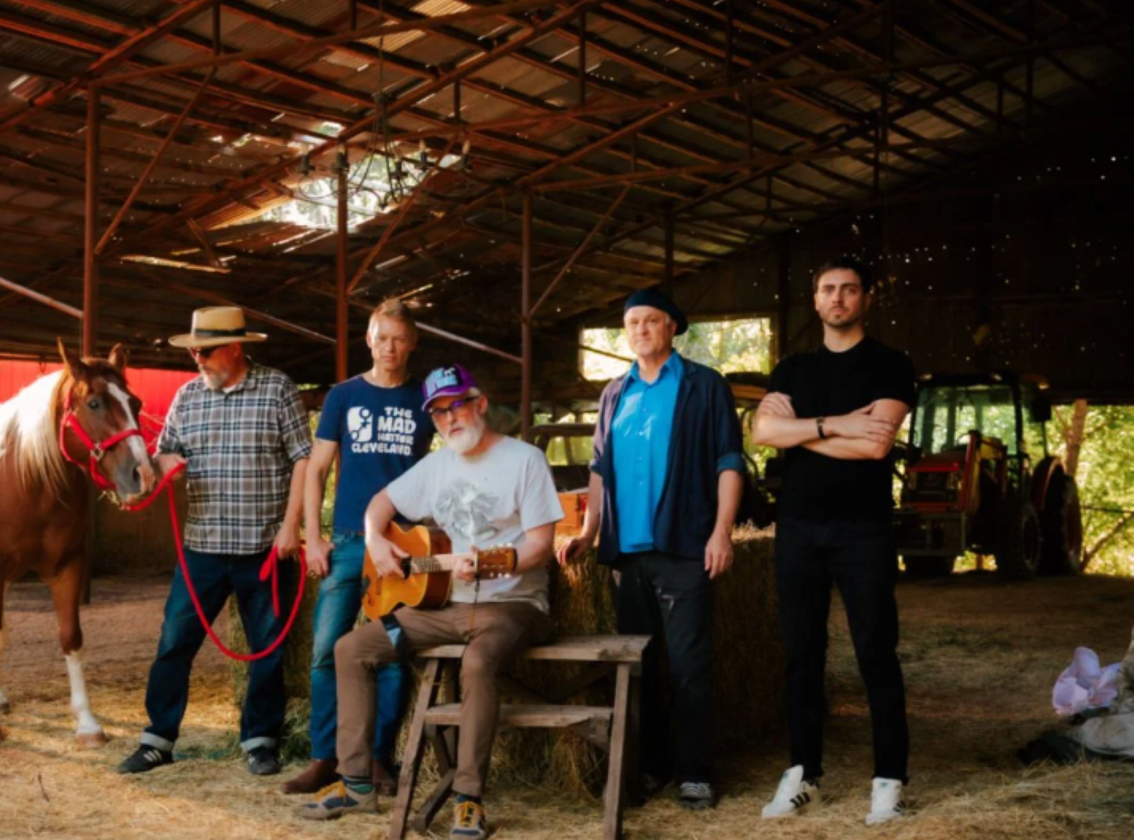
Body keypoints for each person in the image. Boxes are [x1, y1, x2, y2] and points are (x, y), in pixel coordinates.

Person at [298, 364, 563, 840]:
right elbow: (379, 502)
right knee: (351, 649)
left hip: (513, 607)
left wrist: (492, 565)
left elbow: (542, 545)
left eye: (456, 405)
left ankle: (468, 801)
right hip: (442, 612)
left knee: (478, 663)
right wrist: (377, 539)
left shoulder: (525, 460)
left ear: (479, 404)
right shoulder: (436, 467)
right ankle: (357, 783)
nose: (448, 419)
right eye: (438, 412)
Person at [558, 288, 746, 811]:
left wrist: (722, 531)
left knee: (688, 664)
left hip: (684, 546)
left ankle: (694, 772)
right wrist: (589, 533)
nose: (640, 329)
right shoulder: (614, 393)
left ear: (672, 327)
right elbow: (599, 470)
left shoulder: (702, 386)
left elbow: (729, 460)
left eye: (650, 321)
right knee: (638, 666)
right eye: (632, 322)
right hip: (627, 554)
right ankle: (649, 768)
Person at [752, 256, 916, 825]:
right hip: (797, 527)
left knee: (875, 653)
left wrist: (799, 435)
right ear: (815, 300)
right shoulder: (792, 368)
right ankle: (803, 774)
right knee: (801, 655)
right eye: (828, 289)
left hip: (863, 529)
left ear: (866, 298)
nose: (838, 298)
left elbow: (875, 447)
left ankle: (889, 779)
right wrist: (835, 424)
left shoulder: (891, 366)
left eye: (849, 289)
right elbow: (762, 431)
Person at [118, 306, 310, 777]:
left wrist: (292, 526)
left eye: (204, 351)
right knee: (173, 643)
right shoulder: (186, 397)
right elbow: (168, 456)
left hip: (264, 548)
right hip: (201, 548)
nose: (197, 359)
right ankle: (158, 739)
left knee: (267, 648)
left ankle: (260, 741)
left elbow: (304, 461)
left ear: (236, 347)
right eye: (194, 351)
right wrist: (144, 478)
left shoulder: (277, 389)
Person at [282, 300, 435, 796]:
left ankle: (375, 758)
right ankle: (325, 757)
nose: (390, 347)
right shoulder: (344, 397)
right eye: (382, 337)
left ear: (412, 344)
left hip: (401, 544)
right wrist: (313, 537)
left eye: (400, 339)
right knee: (326, 652)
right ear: (368, 340)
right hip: (348, 541)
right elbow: (316, 470)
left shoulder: (424, 399)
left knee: (390, 652)